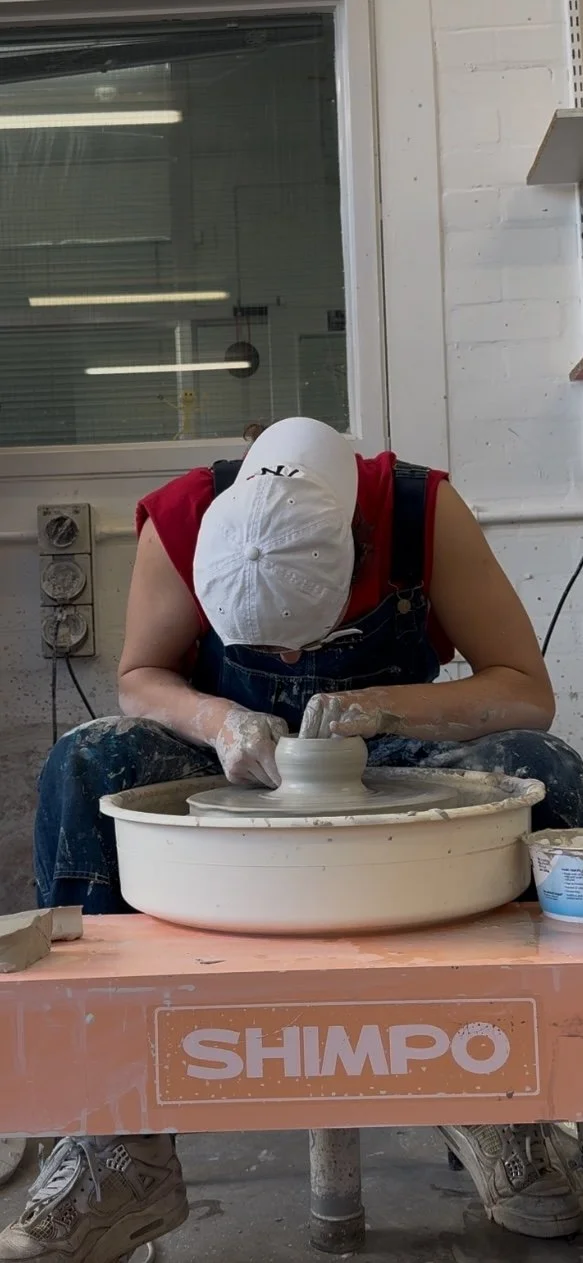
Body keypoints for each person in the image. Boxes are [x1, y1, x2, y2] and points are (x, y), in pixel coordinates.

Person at [4, 416, 583, 1263]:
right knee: (87, 759)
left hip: (388, 745)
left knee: (539, 766)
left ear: (356, 541)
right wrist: (220, 716)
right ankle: (113, 1138)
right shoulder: (183, 512)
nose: (284, 652)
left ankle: (502, 1097)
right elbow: (139, 677)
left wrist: (381, 708)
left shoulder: (421, 511)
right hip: (235, 758)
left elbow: (525, 691)